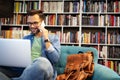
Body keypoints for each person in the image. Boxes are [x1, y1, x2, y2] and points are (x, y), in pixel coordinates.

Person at [0, 9, 61, 80]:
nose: (31, 26)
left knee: (42, 62)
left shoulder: (53, 38)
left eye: (35, 23)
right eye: (29, 23)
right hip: (25, 70)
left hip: (42, 69)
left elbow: (55, 59)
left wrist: (46, 38)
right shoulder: (26, 38)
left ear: (42, 23)